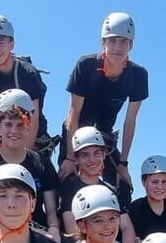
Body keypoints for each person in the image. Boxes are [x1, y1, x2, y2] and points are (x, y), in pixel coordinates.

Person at [59, 11, 147, 193]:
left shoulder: (138, 75)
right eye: (112, 40)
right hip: (76, 133)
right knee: (68, 184)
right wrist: (69, 157)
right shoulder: (86, 66)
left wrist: (123, 163)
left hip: (105, 137)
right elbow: (73, 114)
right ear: (103, 43)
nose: (118, 47)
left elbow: (130, 121)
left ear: (131, 45)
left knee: (122, 188)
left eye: (123, 41)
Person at [0, 90, 62, 239]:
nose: (14, 131)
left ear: (28, 127)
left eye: (20, 125)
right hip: (2, 236)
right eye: (8, 124)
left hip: (42, 237)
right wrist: (34, 233)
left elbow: (51, 208)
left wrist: (53, 228)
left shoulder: (41, 162)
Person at [0, 15, 51, 153]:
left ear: (11, 44)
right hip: (4, 129)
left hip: (32, 133)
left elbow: (33, 120)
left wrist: (24, 156)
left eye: (1, 43)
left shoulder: (29, 74)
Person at [57, 126, 136, 243]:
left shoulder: (111, 191)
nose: (92, 160)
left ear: (104, 155)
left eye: (97, 153)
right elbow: (72, 229)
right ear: (76, 159)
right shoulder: (69, 186)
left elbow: (126, 227)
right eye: (85, 155)